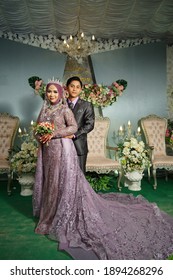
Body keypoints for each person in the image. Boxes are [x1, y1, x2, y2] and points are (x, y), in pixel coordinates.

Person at [33, 80, 173, 260]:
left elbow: (75, 127)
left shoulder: (65, 109)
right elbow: (36, 130)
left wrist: (54, 134)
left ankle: (63, 213)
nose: (52, 94)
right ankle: (49, 214)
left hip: (64, 150)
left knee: (65, 182)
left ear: (61, 93)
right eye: (49, 92)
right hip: (47, 152)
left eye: (54, 91)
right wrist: (41, 135)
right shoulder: (44, 110)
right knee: (51, 182)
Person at [65, 76, 95, 174]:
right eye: (72, 86)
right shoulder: (61, 104)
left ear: (81, 89)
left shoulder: (87, 105)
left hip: (79, 145)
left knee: (80, 174)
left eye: (77, 87)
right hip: (62, 144)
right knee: (63, 174)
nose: (74, 89)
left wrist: (74, 135)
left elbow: (90, 124)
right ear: (67, 87)